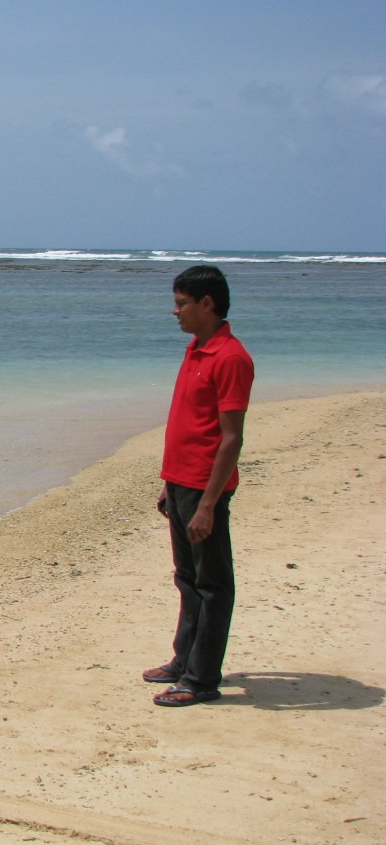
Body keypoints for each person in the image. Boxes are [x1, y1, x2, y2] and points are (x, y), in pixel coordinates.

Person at [145, 265, 254, 707]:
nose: (175, 312)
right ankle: (184, 660)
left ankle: (202, 679)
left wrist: (208, 504)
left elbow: (231, 438)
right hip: (181, 483)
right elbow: (191, 424)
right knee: (187, 577)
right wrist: (170, 485)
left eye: (182, 303)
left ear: (207, 304)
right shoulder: (197, 349)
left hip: (205, 487)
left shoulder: (231, 358)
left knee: (213, 584)